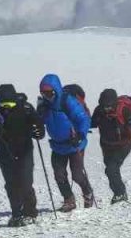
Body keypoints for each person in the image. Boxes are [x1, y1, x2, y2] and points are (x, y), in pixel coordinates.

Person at [37, 73, 94, 212]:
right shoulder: (44, 105)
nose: (46, 96)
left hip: (74, 144)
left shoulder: (67, 101)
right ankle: (69, 200)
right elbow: (39, 121)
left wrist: (80, 135)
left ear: (56, 90)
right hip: (57, 145)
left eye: (49, 93)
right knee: (59, 174)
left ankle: (88, 192)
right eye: (43, 93)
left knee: (77, 175)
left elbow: (83, 118)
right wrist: (37, 126)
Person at [0, 84, 44, 227]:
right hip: (5, 153)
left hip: (25, 151)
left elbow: (39, 125)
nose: (7, 107)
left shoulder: (26, 108)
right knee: (11, 184)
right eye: (3, 103)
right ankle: (16, 213)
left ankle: (30, 213)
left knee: (25, 183)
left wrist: (38, 132)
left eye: (9, 103)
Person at [91, 89, 131, 204]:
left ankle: (120, 193)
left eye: (109, 106)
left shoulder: (124, 111)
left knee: (111, 169)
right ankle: (119, 193)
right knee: (110, 171)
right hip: (106, 145)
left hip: (123, 145)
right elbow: (92, 123)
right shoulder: (99, 110)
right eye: (104, 106)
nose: (106, 109)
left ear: (114, 103)